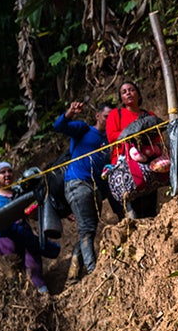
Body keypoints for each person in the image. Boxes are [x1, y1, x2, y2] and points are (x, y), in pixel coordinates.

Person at [53, 100, 110, 279]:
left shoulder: (108, 139)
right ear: (98, 116)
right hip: (78, 183)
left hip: (95, 189)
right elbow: (59, 126)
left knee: (89, 229)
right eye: (106, 117)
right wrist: (70, 112)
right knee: (86, 229)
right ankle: (93, 270)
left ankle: (74, 271)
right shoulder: (84, 130)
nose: (109, 121)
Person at [0, 162, 51, 294]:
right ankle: (22, 296)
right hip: (5, 239)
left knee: (33, 262)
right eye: (2, 172)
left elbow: (33, 215)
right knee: (14, 268)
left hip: (24, 233)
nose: (7, 175)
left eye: (9, 171)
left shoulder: (20, 192)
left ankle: (42, 292)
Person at [104, 82, 161, 218]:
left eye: (131, 90)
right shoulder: (116, 114)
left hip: (148, 160)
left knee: (150, 201)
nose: (128, 93)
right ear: (121, 99)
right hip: (125, 162)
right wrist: (133, 135)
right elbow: (112, 136)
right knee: (132, 201)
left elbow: (157, 137)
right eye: (124, 92)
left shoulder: (149, 115)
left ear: (139, 95)